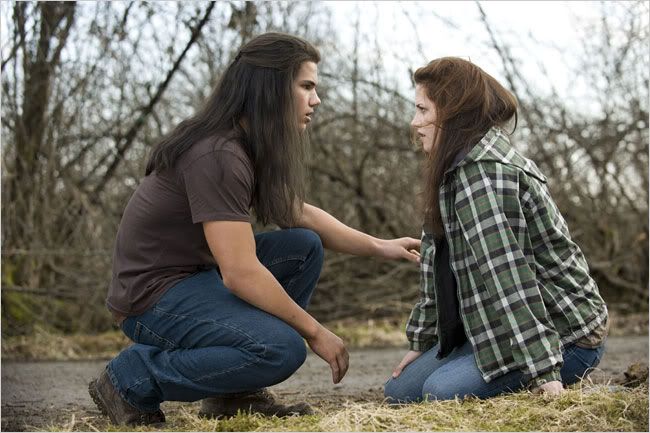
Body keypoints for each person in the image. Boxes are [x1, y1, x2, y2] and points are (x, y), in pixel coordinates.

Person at [88, 32, 421, 426]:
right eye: (307, 86)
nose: (316, 99)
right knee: (279, 349)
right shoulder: (218, 154)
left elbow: (299, 214)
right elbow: (240, 273)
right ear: (271, 88)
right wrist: (315, 332)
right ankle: (131, 378)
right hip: (152, 298)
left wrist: (379, 246)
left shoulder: (243, 144)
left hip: (193, 277)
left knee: (302, 246)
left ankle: (232, 394)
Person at [384, 57, 608, 403]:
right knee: (400, 391)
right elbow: (435, 266)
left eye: (423, 110)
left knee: (439, 393)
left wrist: (544, 372)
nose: (415, 123)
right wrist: (423, 342)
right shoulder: (453, 170)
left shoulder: (482, 174)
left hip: (565, 335)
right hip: (497, 328)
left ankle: (544, 368)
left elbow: (509, 281)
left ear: (453, 114)